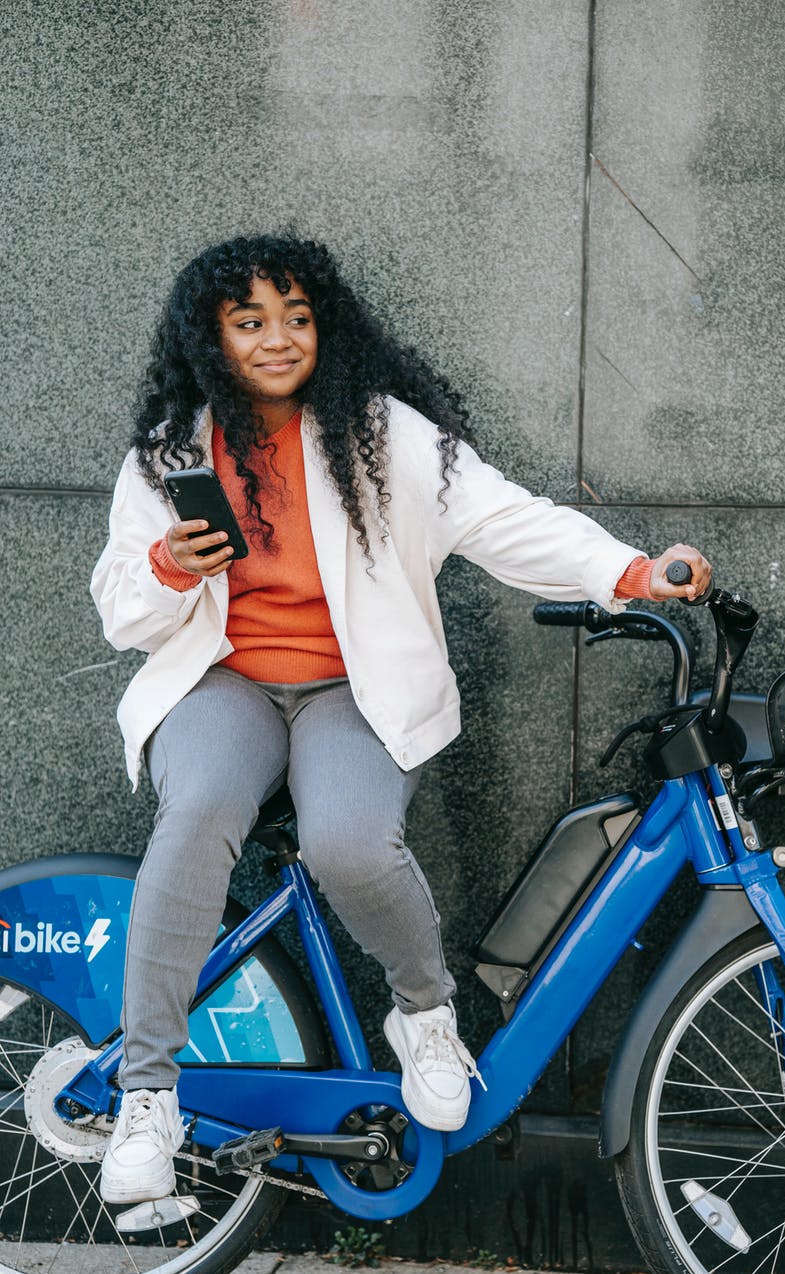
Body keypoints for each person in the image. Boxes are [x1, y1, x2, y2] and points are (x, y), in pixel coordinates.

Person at [91, 233, 712, 1205]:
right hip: (225, 682)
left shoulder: (377, 433)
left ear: (324, 327)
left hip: (354, 687)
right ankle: (147, 1093)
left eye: (296, 318)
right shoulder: (174, 451)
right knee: (199, 808)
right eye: (250, 321)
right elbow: (121, 609)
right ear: (211, 336)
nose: (278, 338)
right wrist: (172, 567)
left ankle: (425, 1014)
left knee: (349, 840)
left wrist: (628, 573)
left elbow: (504, 518)